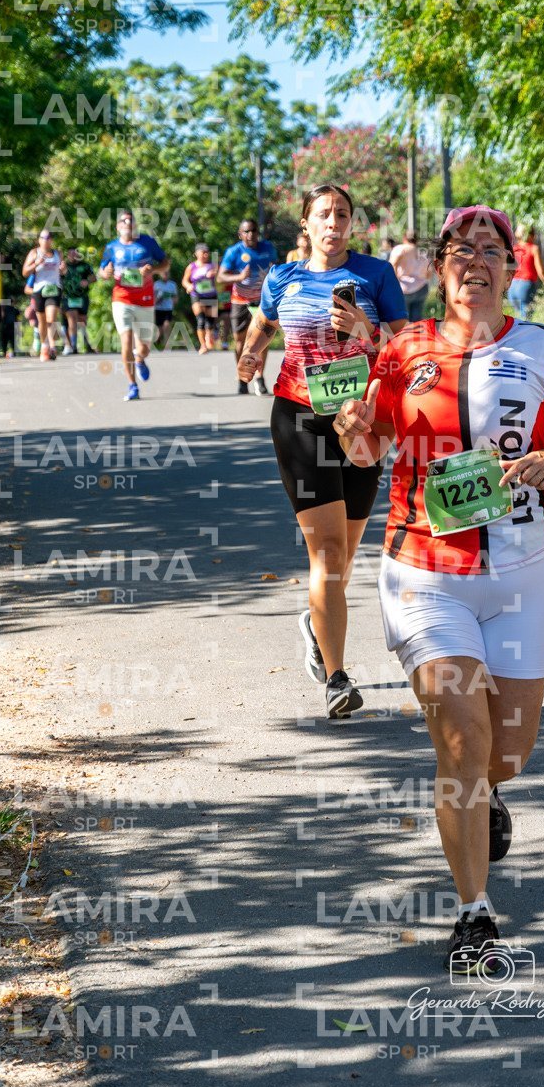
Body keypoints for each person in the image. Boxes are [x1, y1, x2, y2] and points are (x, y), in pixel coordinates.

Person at [333, 203, 544, 970]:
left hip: (522, 572)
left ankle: (490, 794)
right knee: (463, 740)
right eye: (460, 249)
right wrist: (355, 431)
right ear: (440, 268)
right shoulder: (403, 350)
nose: (475, 260)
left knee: (509, 750)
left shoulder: (543, 347)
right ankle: (474, 914)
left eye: (490, 248)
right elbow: (371, 449)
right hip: (426, 573)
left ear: (510, 267)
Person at [236, 184, 407, 715]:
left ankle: (315, 620)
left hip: (361, 422)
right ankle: (337, 678)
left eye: (343, 214)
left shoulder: (376, 275)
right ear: (305, 226)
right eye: (324, 215)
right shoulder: (282, 277)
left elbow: (407, 349)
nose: (334, 222)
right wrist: (249, 357)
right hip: (300, 418)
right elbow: (263, 323)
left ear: (352, 224)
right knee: (328, 555)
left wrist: (366, 331)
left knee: (346, 554)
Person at [99, 209, 166, 401]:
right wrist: (107, 272)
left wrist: (153, 269)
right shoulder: (112, 247)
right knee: (126, 341)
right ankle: (132, 385)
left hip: (145, 300)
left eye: (130, 220)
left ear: (135, 224)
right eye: (123, 220)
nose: (127, 223)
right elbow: (102, 271)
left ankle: (140, 359)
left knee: (144, 347)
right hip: (122, 299)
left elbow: (165, 263)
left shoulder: (147, 242)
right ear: (118, 226)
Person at [219, 218, 278, 395]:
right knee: (240, 340)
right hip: (240, 301)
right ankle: (242, 377)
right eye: (246, 231)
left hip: (262, 301)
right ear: (240, 234)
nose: (250, 234)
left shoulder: (267, 248)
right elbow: (221, 277)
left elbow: (275, 269)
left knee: (263, 340)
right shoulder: (234, 252)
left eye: (253, 231)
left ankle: (259, 377)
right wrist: (238, 277)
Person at [21, 230, 65, 361]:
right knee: (42, 321)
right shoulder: (34, 253)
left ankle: (52, 347)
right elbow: (25, 272)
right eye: (43, 237)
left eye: (49, 237)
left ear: (51, 240)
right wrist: (36, 263)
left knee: (51, 318)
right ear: (39, 240)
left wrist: (64, 269)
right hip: (39, 290)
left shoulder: (58, 254)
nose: (46, 240)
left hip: (54, 288)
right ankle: (44, 346)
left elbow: (63, 272)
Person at [183, 243, 220, 353]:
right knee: (201, 320)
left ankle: (209, 337)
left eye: (206, 252)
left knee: (210, 322)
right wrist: (188, 286)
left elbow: (220, 278)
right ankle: (203, 345)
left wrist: (214, 274)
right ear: (196, 253)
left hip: (211, 296)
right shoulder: (191, 267)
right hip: (197, 295)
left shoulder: (212, 266)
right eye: (202, 252)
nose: (205, 255)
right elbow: (184, 280)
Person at [507, 225, 544, 320]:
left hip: (512, 287)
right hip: (525, 287)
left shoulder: (514, 249)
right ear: (530, 235)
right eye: (533, 234)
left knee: (517, 319)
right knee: (526, 320)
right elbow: (540, 270)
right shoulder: (533, 248)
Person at [388, 231, 431, 321]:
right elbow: (429, 274)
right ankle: (416, 334)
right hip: (422, 288)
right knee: (416, 321)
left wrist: (394, 280)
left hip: (404, 288)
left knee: (403, 321)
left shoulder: (400, 249)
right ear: (417, 240)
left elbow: (392, 265)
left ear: (404, 239)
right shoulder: (422, 252)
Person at [60, 247, 96, 355]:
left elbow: (94, 277)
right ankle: (73, 346)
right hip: (68, 297)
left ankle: (86, 344)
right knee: (72, 320)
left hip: (82, 297)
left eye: (74, 253)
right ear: (67, 255)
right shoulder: (63, 266)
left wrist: (87, 281)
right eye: (70, 254)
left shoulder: (85, 265)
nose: (72, 256)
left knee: (82, 321)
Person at [152, 260, 178, 347]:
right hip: (158, 308)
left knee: (167, 325)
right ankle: (157, 341)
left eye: (167, 273)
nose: (165, 275)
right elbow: (153, 299)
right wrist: (159, 298)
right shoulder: (156, 285)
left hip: (168, 308)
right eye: (163, 273)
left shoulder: (172, 285)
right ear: (160, 274)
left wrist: (173, 302)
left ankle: (167, 344)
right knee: (159, 329)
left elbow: (175, 297)